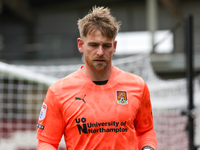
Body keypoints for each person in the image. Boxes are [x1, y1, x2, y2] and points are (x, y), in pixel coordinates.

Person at [36, 6, 157, 150]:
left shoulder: (137, 86)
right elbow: (47, 142)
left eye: (106, 46)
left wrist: (148, 148)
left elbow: (146, 131)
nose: (100, 52)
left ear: (114, 46)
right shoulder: (58, 92)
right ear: (81, 45)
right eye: (93, 45)